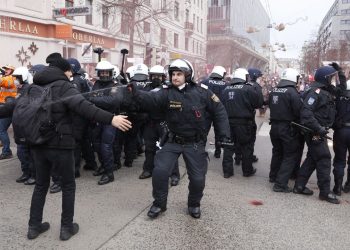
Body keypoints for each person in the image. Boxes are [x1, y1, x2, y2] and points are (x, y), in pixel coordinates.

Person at [27, 56, 131, 240]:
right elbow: (84, 107)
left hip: (37, 143)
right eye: (69, 72)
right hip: (61, 144)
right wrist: (111, 119)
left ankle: (34, 227)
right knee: (68, 186)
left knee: (41, 185)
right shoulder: (64, 86)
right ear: (64, 71)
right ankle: (67, 228)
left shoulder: (34, 86)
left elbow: (17, 108)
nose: (71, 75)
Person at [130, 59, 230, 219]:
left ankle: (194, 204)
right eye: (173, 74)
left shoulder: (203, 92)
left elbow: (220, 112)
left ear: (188, 75)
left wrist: (224, 135)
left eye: (179, 74)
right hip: (171, 141)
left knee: (198, 179)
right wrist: (135, 92)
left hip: (195, 143)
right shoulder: (166, 91)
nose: (175, 77)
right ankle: (159, 204)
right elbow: (150, 99)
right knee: (160, 173)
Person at [293, 64, 345, 204]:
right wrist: (318, 128)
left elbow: (341, 90)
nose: (333, 81)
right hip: (314, 131)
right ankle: (324, 192)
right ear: (325, 79)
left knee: (312, 158)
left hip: (318, 130)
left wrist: (340, 73)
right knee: (324, 158)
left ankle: (299, 185)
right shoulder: (315, 92)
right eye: (331, 78)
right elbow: (306, 114)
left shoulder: (325, 90)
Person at [138, 65, 180, 185]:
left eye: (159, 76)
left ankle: (174, 174)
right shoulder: (146, 88)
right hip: (150, 123)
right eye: (154, 75)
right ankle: (148, 170)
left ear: (163, 77)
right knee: (149, 148)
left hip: (164, 123)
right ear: (150, 76)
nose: (156, 78)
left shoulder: (168, 88)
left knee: (169, 149)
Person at [268, 68, 303, 192]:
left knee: (277, 152)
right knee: (290, 155)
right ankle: (280, 184)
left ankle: (273, 176)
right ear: (294, 78)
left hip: (274, 126)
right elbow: (298, 111)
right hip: (288, 127)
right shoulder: (293, 92)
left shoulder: (274, 90)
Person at [221, 68, 260, 178]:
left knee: (228, 147)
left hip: (228, 123)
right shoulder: (249, 88)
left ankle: (227, 172)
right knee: (246, 147)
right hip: (244, 123)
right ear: (245, 77)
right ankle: (247, 170)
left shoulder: (226, 89)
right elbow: (257, 103)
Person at [202, 65, 227, 158]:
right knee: (218, 132)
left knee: (203, 132)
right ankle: (217, 152)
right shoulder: (225, 84)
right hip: (218, 111)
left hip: (206, 111)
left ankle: (201, 150)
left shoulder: (204, 82)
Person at [332, 79, 350, 195]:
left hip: (341, 130)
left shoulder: (339, 98)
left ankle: (337, 187)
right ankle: (348, 185)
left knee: (339, 160)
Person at [0, 64, 16, 159]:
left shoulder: (11, 78)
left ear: (11, 70)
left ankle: (7, 152)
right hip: (4, 106)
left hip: (7, 108)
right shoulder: (6, 78)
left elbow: (5, 83)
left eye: (7, 69)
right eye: (5, 69)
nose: (5, 70)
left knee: (1, 130)